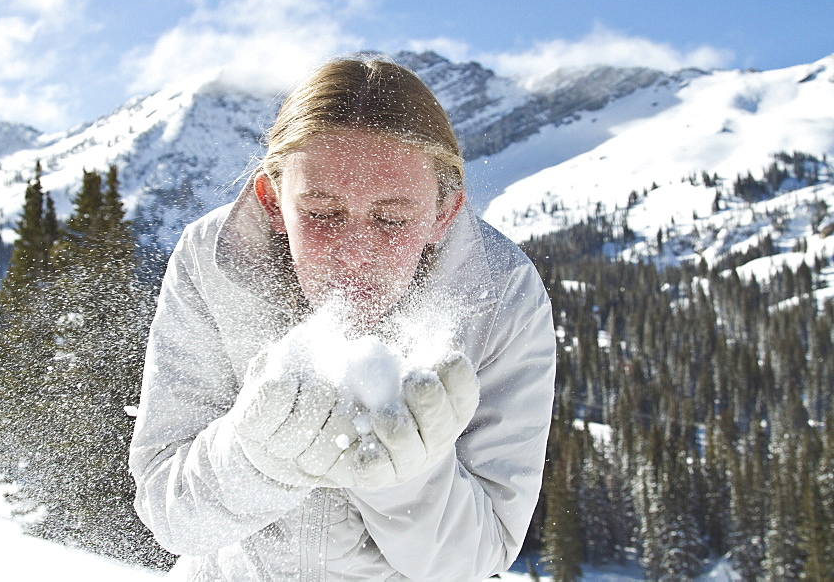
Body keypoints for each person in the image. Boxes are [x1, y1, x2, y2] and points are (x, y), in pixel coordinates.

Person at [128, 56, 557, 580]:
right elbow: (170, 516)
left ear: (443, 214)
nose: (354, 253)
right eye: (321, 214)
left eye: (391, 219)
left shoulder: (500, 293)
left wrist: (408, 477)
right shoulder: (212, 259)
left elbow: (482, 553)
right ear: (272, 201)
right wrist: (256, 457)